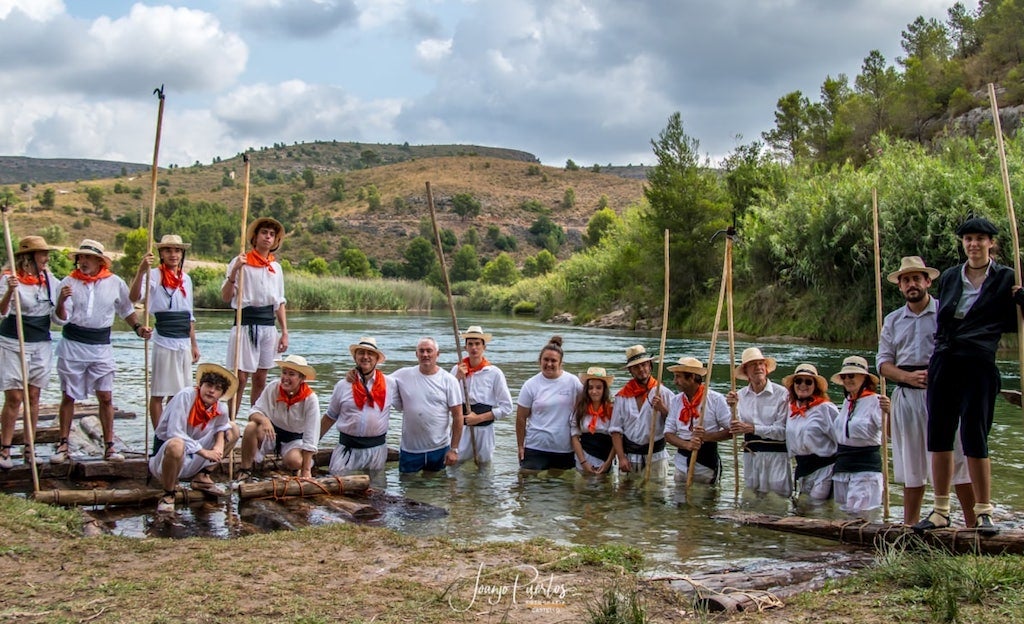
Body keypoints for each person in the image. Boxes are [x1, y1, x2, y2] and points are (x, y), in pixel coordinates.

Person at [916, 216, 1024, 536]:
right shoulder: (950, 276)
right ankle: (940, 510)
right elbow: (944, 319)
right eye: (968, 239)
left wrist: (1022, 299)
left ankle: (984, 511)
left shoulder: (1006, 277)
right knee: (939, 434)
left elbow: (1014, 322)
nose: (973, 244)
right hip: (945, 360)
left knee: (975, 436)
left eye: (980, 239)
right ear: (962, 244)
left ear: (991, 243)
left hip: (979, 362)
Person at [877, 256, 974, 527]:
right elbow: (883, 363)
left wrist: (941, 373)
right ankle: (910, 528)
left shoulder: (946, 313)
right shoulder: (893, 320)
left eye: (916, 278)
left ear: (927, 281)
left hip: (944, 393)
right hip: (907, 396)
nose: (911, 284)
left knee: (959, 459)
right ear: (900, 286)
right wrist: (906, 376)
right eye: (906, 280)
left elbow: (962, 350)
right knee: (911, 463)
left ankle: (972, 526)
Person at [51, 239, 151, 464]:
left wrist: (138, 328)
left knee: (106, 396)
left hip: (101, 346)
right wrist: (61, 300)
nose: (83, 261)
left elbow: (126, 309)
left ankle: (109, 446)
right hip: (73, 344)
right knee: (68, 395)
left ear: (99, 261)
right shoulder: (68, 283)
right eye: (81, 257)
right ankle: (63, 444)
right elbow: (59, 319)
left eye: (88, 258)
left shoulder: (114, 282)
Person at [129, 234, 200, 429]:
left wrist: (194, 343)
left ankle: (172, 430)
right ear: (161, 253)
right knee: (159, 391)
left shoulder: (186, 279)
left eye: (177, 250)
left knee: (180, 393)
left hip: (183, 340)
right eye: (168, 250)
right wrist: (141, 271)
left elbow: (189, 314)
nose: (173, 254)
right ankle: (160, 436)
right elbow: (134, 298)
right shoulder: (153, 275)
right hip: (164, 340)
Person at [149, 363, 240, 514]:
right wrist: (204, 452)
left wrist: (218, 444)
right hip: (164, 460)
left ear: (221, 394)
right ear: (200, 385)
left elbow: (221, 427)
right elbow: (174, 432)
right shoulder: (186, 396)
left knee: (234, 429)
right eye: (209, 386)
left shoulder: (220, 408)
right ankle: (168, 494)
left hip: (190, 458)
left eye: (217, 389)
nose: (211, 391)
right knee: (177, 444)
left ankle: (202, 476)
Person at [0, 236, 58, 469]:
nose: (46, 258)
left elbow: (58, 315)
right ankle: (5, 448)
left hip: (41, 342)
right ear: (29, 257)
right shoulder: (8, 278)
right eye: (42, 254)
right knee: (14, 396)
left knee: (34, 395)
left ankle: (29, 446)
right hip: (14, 340)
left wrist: (63, 299)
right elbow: (1, 311)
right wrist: (8, 293)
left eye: (46, 254)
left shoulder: (50, 280)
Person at [221, 216, 288, 411]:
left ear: (275, 240)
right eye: (264, 233)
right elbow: (226, 297)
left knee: (261, 378)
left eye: (272, 234)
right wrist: (234, 271)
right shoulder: (241, 261)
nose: (268, 237)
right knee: (240, 378)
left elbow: (279, 302)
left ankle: (255, 420)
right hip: (245, 323)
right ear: (255, 236)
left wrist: (284, 332)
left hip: (268, 325)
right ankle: (231, 422)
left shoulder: (276, 268)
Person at [320, 337, 397, 484]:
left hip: (376, 450)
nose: (365, 357)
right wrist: (310, 445)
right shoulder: (342, 385)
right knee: (338, 489)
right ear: (355, 357)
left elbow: (411, 401)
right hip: (346, 449)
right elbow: (330, 417)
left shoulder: (391, 384)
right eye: (361, 353)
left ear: (376, 359)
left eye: (370, 353)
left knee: (376, 494)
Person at [237, 354, 319, 480]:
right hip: (271, 433)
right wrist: (264, 420)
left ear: (301, 378)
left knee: (294, 461)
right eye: (284, 373)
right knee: (251, 427)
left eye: (291, 374)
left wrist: (306, 471)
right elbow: (254, 411)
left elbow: (311, 436)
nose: (286, 378)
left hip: (294, 439)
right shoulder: (273, 387)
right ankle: (245, 469)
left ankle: (296, 469)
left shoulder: (310, 399)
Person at [391, 337, 463, 474]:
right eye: (421, 351)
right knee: (407, 486)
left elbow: (458, 416)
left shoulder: (449, 380)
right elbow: (377, 382)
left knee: (437, 488)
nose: (425, 355)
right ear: (416, 354)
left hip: (439, 448)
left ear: (437, 354)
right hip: (410, 449)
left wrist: (454, 449)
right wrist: (355, 375)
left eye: (429, 351)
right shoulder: (402, 375)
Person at [727, 347, 791, 497]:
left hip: (777, 456)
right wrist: (732, 409)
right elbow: (735, 427)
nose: (758, 368)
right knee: (750, 499)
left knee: (777, 501)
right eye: (753, 364)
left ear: (766, 368)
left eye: (761, 363)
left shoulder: (782, 394)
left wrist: (752, 428)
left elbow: (782, 431)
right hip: (751, 455)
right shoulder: (740, 396)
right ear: (746, 371)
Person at [516, 336, 582, 474]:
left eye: (553, 361)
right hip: (536, 446)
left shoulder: (573, 382)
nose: (549, 364)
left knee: (557, 490)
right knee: (527, 483)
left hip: (564, 448)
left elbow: (585, 408)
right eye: (546, 360)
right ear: (540, 360)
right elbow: (521, 418)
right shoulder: (531, 385)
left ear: (561, 363)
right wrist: (521, 446)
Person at [663, 357, 732, 486]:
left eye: (678, 377)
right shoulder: (676, 401)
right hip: (681, 464)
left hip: (706, 464)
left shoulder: (715, 399)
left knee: (705, 501)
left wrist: (706, 437)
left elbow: (732, 431)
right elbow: (668, 434)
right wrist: (687, 445)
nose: (675, 381)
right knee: (679, 502)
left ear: (692, 377)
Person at [450, 326, 513, 467]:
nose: (474, 348)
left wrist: (478, 418)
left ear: (484, 347)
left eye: (478, 344)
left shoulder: (494, 373)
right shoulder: (457, 370)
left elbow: (507, 407)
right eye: (470, 344)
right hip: (462, 429)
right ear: (465, 347)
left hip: (485, 430)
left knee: (484, 469)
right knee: (455, 466)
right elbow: (446, 399)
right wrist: (457, 378)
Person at [830, 356, 884, 517]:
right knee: (842, 514)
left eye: (852, 376)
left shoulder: (877, 401)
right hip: (843, 467)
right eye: (845, 376)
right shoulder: (848, 402)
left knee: (859, 515)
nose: (847, 380)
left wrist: (889, 413)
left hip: (865, 469)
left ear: (864, 378)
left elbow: (890, 434)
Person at [611, 345, 673, 480]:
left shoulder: (663, 393)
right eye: (636, 367)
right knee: (626, 499)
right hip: (629, 458)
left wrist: (662, 408)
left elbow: (675, 425)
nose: (641, 370)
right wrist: (621, 458)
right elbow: (615, 430)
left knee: (656, 498)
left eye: (644, 365)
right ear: (630, 371)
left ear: (650, 366)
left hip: (656, 458)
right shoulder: (622, 397)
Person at [782, 363, 839, 502]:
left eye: (808, 382)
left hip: (824, 468)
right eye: (798, 381)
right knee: (803, 507)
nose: (803, 385)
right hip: (802, 467)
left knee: (816, 507)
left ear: (815, 386)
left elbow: (841, 439)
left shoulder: (825, 409)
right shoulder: (790, 409)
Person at [570, 366, 615, 476]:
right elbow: (574, 437)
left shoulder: (612, 410)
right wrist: (584, 462)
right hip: (583, 459)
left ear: (604, 389)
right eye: (590, 388)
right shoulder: (580, 410)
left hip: (605, 460)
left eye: (598, 388)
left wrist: (608, 463)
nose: (594, 391)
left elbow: (617, 438)